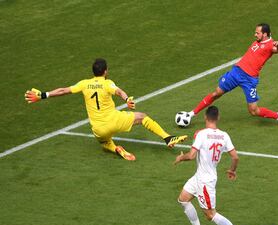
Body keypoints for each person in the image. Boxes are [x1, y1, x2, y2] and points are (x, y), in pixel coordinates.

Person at [25, 58, 187, 160]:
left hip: (98, 128)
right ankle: (167, 138)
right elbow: (119, 91)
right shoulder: (107, 83)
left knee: (104, 142)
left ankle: (116, 148)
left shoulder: (84, 83)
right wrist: (127, 99)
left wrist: (43, 95)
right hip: (114, 120)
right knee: (142, 117)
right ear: (105, 71)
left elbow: (63, 90)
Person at [187, 23, 278, 128]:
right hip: (236, 72)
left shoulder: (271, 45)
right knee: (216, 93)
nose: (255, 35)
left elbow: (277, 50)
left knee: (254, 111)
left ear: (265, 34)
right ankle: (191, 114)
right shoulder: (258, 41)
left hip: (249, 80)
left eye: (257, 33)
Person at [174, 106, 249, 225]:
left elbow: (191, 156)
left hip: (205, 181)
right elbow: (235, 157)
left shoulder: (201, 134)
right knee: (183, 199)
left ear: (205, 117)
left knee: (210, 214)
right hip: (200, 176)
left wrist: (180, 157)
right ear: (218, 117)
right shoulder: (224, 135)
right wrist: (232, 170)